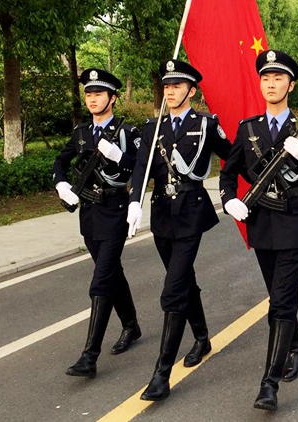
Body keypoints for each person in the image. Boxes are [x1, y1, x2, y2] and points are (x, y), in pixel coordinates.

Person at [219, 49, 298, 411]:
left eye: (278, 78)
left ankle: (268, 384)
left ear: (291, 84)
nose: (271, 84)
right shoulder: (248, 128)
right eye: (266, 78)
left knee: (282, 300)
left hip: (295, 220)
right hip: (261, 222)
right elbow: (228, 171)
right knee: (278, 294)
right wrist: (228, 200)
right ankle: (296, 347)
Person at [127, 60, 232, 401]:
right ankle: (201, 337)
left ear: (191, 90)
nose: (169, 91)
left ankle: (161, 374)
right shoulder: (151, 128)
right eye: (166, 86)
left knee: (172, 291)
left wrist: (234, 193)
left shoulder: (205, 124)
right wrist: (134, 203)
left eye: (177, 85)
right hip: (161, 215)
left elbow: (232, 156)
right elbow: (142, 170)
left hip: (191, 213)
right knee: (184, 280)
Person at [53, 68, 143, 379]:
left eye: (99, 94)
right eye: (89, 94)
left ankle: (89, 355)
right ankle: (131, 324)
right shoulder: (80, 133)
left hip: (116, 211)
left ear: (113, 98)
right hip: (89, 214)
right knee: (112, 272)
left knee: (101, 280)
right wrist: (61, 184)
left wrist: (120, 156)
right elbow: (60, 162)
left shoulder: (127, 133)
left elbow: (140, 169)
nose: (93, 99)